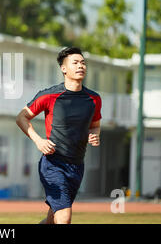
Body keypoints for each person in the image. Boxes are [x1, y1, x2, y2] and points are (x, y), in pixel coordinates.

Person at [16, 47, 101, 224]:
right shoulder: (50, 95)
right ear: (64, 69)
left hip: (77, 165)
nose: (81, 66)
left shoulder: (94, 99)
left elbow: (95, 126)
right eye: (75, 63)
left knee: (54, 216)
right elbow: (21, 117)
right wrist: (38, 140)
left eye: (83, 63)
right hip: (53, 164)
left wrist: (94, 135)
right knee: (64, 216)